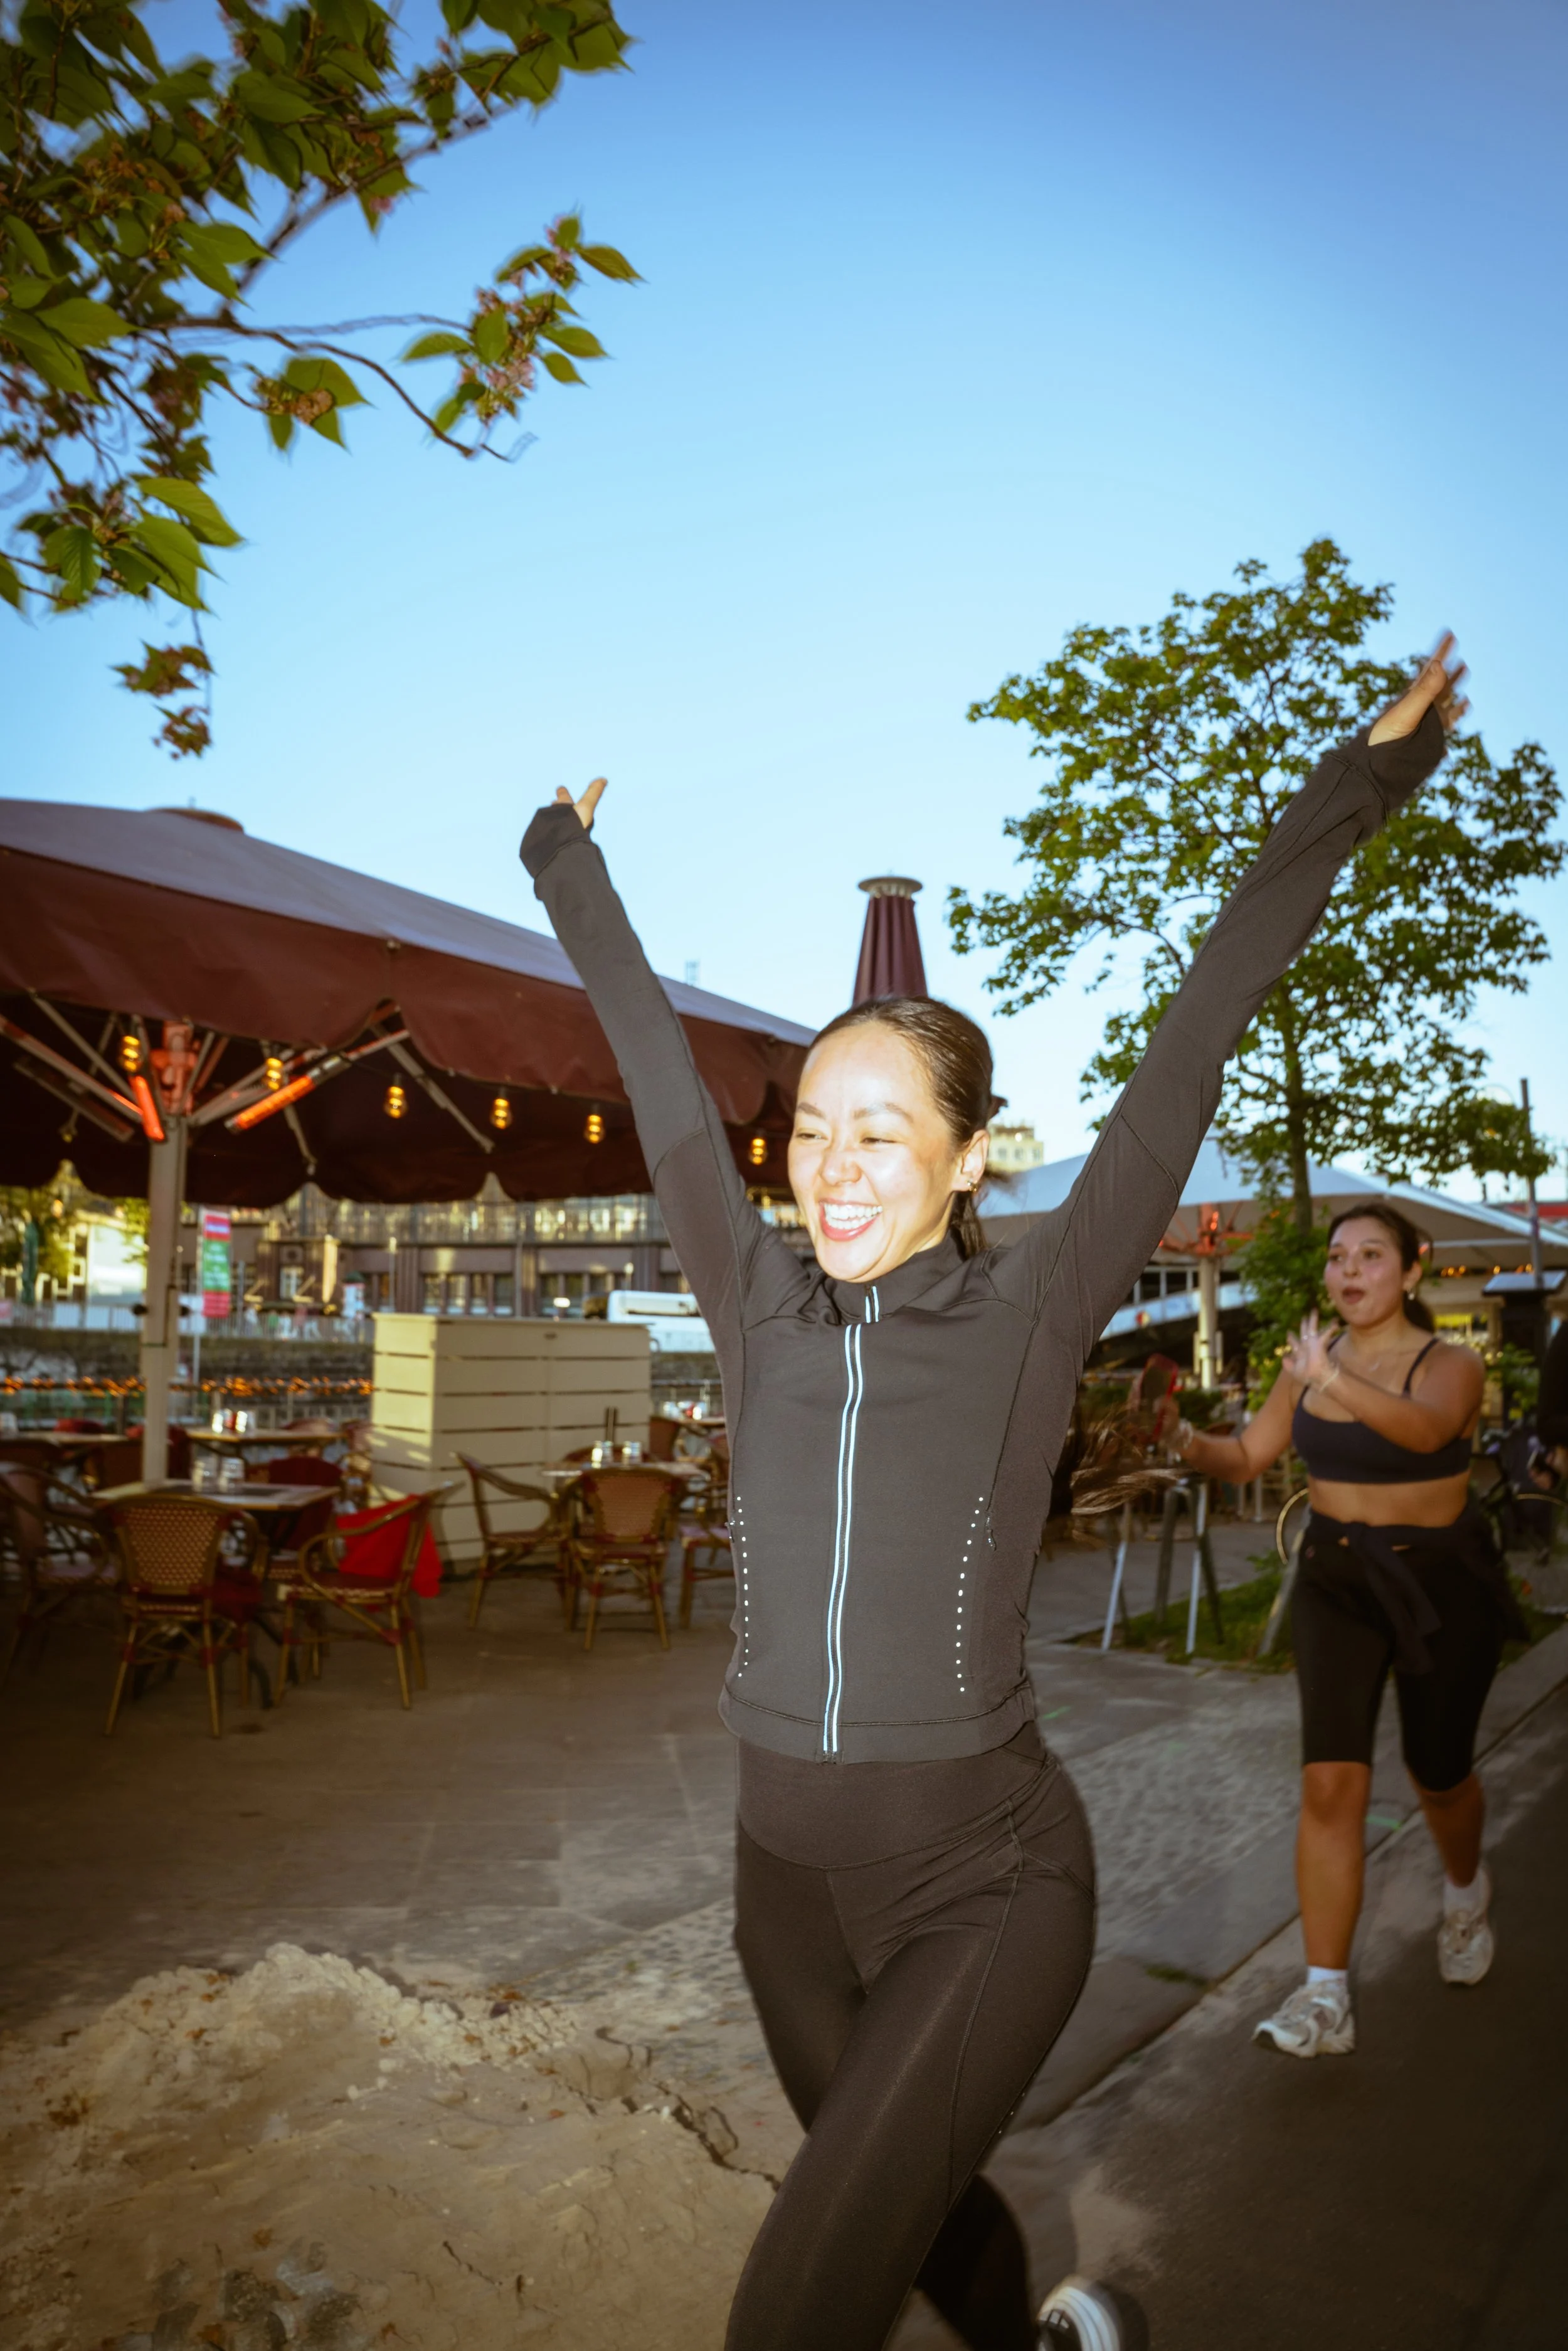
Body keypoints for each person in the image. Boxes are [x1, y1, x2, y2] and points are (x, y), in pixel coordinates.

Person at [519, 643, 1460, 2350]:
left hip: (984, 1883)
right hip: (778, 1894)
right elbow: (656, 1082)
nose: (834, 1164)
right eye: (814, 1127)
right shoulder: (754, 1298)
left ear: (968, 1155)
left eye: (884, 1131)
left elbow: (1196, 1028)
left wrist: (1356, 782)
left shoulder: (1031, 1301)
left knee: (788, 2311)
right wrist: (566, 867)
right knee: (904, 2213)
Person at [1167, 1197, 1525, 2061]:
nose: (1350, 1272)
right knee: (1331, 1785)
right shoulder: (1309, 1365)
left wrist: (1331, 1380)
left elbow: (1428, 1429)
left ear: (1412, 1268)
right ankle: (1325, 1995)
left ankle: (1466, 1889)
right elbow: (1249, 1456)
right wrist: (1178, 1439)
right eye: (1339, 1258)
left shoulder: (1451, 1364)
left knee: (1439, 1773)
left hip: (1442, 1583)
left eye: (1370, 1256)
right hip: (1337, 1579)